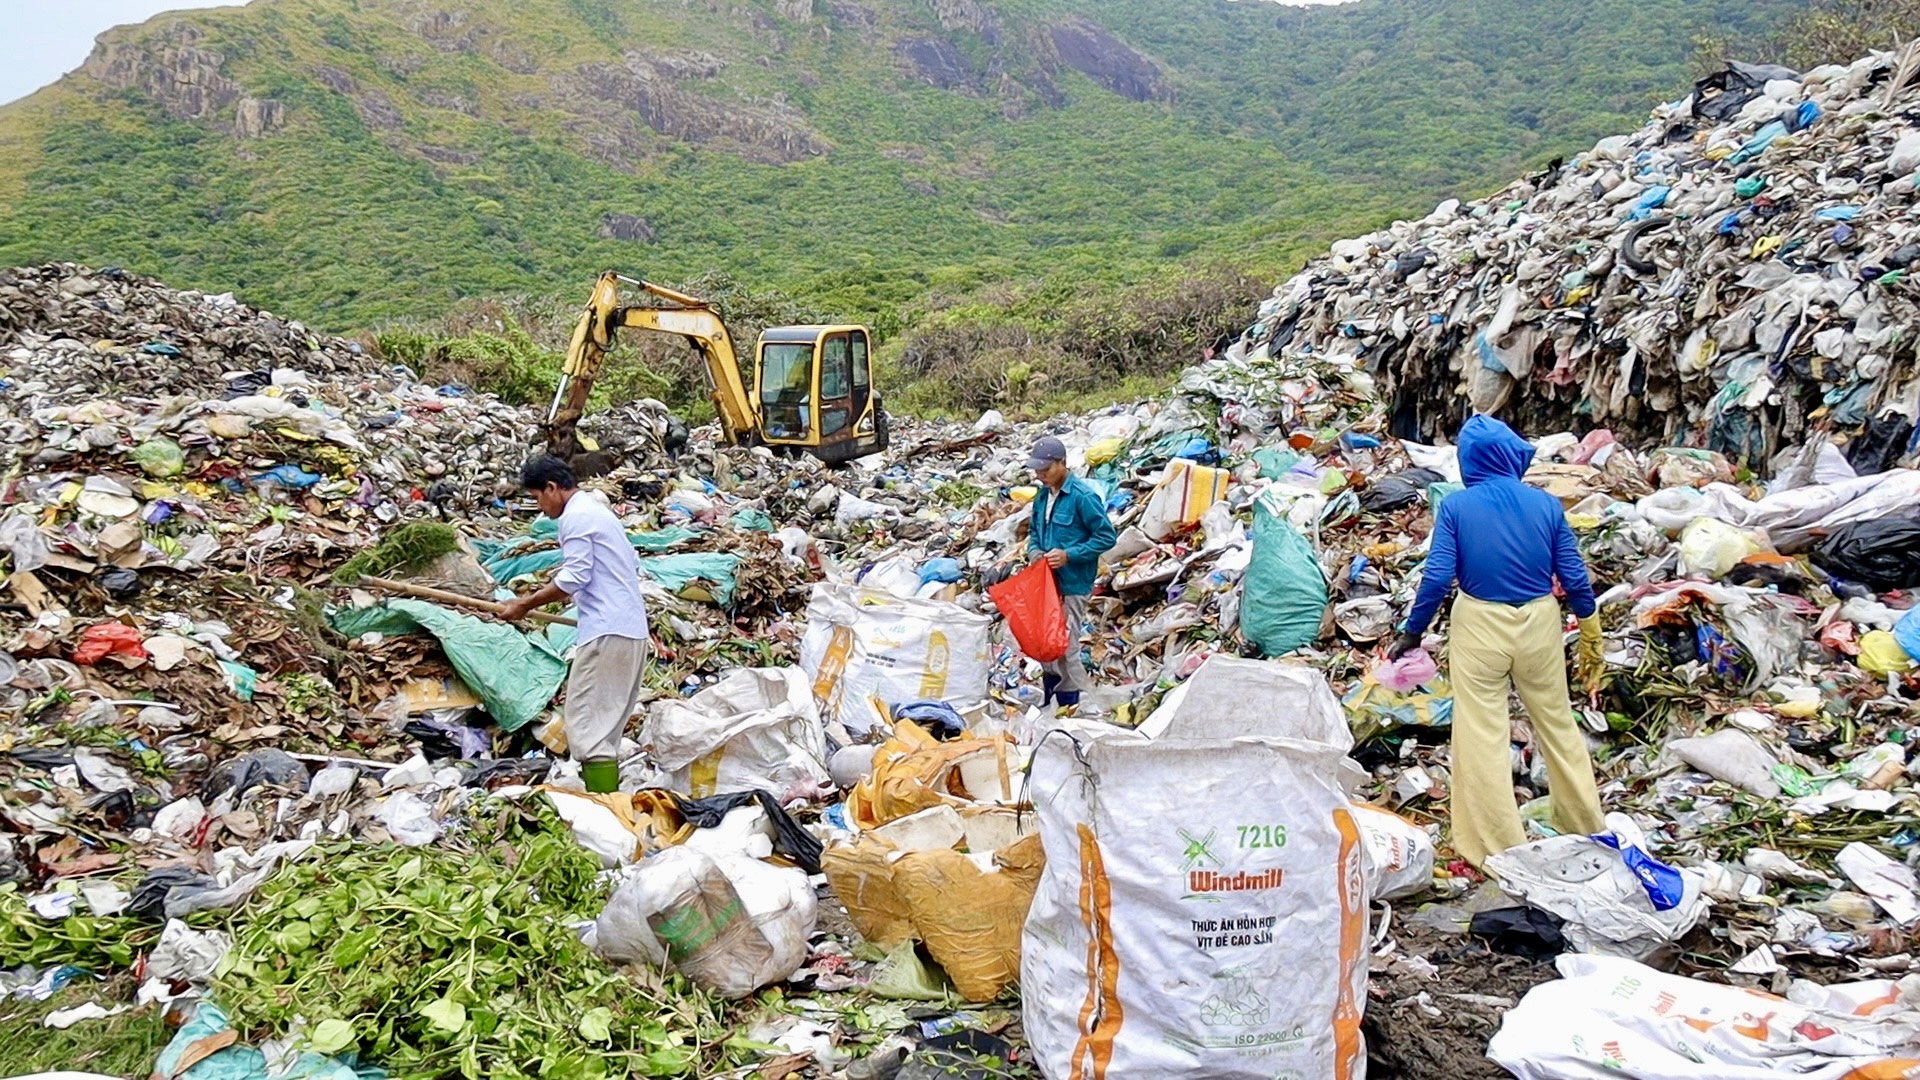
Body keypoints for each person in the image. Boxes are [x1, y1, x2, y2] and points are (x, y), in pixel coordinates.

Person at [1386, 415, 1606, 868]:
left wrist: (1413, 632)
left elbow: (1438, 577)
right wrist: (1590, 635)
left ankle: (1497, 848)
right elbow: (1575, 577)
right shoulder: (1546, 506)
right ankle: (1587, 828)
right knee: (1558, 724)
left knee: (1483, 732)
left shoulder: (1457, 507)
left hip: (1480, 625)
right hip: (1540, 624)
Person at [502, 456, 650, 794]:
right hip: (629, 629)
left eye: (538, 497)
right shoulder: (598, 512)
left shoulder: (577, 517)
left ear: (552, 488)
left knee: (586, 724)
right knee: (606, 724)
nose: (540, 508)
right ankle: (608, 805)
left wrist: (524, 604)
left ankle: (602, 809)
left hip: (607, 632)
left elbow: (575, 576)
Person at [1026, 435, 1117, 710]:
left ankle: (1071, 703)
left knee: (1065, 645)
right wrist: (1035, 552)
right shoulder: (1043, 496)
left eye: (1046, 469)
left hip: (1073, 583)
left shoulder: (1082, 497)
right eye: (1037, 470)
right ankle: (1049, 700)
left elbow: (1106, 537)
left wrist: (1069, 555)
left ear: (1062, 463)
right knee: (1044, 643)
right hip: (1046, 583)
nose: (1040, 475)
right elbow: (1034, 533)